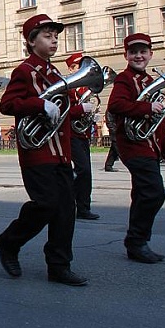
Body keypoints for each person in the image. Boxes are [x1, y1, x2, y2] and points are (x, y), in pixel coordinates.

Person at [0, 14, 89, 286]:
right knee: (46, 204)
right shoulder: (24, 71)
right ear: (31, 41)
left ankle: (59, 265)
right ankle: (8, 242)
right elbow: (8, 105)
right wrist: (38, 104)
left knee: (65, 210)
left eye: (56, 36)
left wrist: (80, 109)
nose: (54, 41)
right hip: (37, 151)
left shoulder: (55, 73)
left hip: (60, 150)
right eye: (47, 36)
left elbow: (62, 109)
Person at [106, 33, 165, 263]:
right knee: (154, 193)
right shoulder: (124, 79)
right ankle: (136, 240)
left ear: (150, 55)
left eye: (143, 51)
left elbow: (162, 120)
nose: (138, 55)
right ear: (126, 55)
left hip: (150, 145)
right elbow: (115, 105)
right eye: (133, 52)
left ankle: (136, 242)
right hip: (133, 144)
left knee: (143, 193)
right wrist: (146, 107)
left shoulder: (150, 82)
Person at [65, 52, 100, 220]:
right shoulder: (67, 88)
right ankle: (76, 205)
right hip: (70, 134)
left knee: (85, 171)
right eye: (80, 67)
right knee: (83, 170)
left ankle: (84, 206)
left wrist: (92, 115)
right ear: (72, 69)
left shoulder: (86, 89)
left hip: (82, 134)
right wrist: (80, 110)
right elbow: (62, 112)